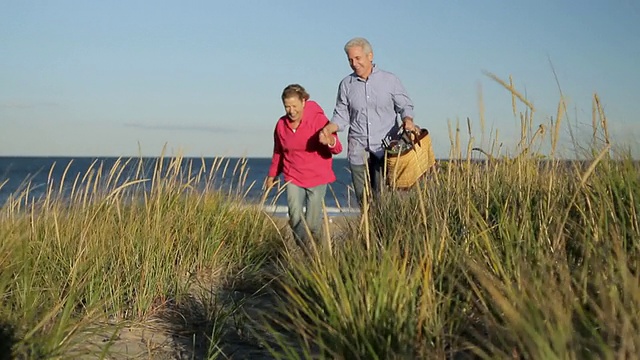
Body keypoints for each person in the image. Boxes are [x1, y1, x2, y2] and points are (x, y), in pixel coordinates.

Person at [319, 37, 418, 208]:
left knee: (383, 202)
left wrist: (407, 120)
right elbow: (341, 115)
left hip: (385, 150)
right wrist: (328, 129)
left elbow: (405, 106)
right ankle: (368, 234)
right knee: (364, 202)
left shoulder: (390, 80)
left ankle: (384, 233)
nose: (354, 63)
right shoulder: (346, 85)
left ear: (370, 56)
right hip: (358, 151)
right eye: (350, 60)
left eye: (358, 58)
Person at [266, 84, 343, 250]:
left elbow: (337, 148)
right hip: (292, 176)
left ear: (303, 102)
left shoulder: (318, 120)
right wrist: (272, 175)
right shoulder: (281, 125)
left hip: (317, 177)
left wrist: (329, 140)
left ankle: (318, 255)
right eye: (287, 106)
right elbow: (278, 152)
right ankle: (307, 253)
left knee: (312, 223)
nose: (291, 110)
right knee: (295, 218)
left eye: (294, 106)